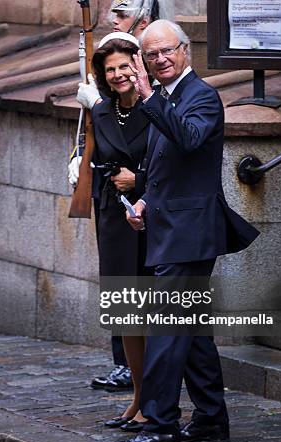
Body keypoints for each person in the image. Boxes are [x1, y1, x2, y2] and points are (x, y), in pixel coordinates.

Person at [110, 20, 260, 442]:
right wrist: (143, 203)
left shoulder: (201, 97)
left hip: (191, 232)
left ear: (185, 51)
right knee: (191, 330)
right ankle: (211, 418)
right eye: (151, 54)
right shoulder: (164, 98)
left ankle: (160, 424)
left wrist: (150, 96)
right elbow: (164, 167)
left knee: (165, 326)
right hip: (169, 226)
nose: (159, 60)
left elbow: (191, 140)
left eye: (166, 51)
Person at [73, 0, 163, 399]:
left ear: (138, 66)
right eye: (110, 70)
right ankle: (122, 366)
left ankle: (148, 374)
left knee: (144, 292)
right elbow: (99, 149)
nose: (118, 74)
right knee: (117, 288)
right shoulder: (104, 109)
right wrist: (80, 158)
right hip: (113, 209)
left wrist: (138, 179)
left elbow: (166, 161)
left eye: (125, 66)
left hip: (148, 212)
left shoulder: (156, 106)